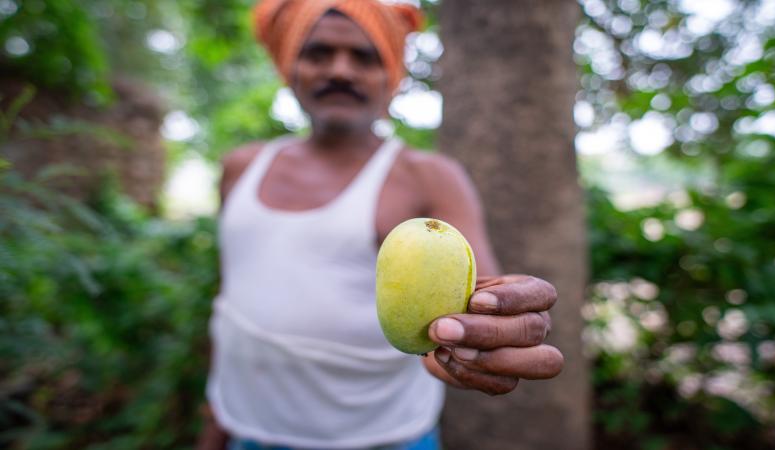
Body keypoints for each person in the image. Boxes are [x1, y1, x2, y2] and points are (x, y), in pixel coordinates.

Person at [197, 1, 564, 449]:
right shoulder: (241, 167)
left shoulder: (427, 177)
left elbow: (475, 299)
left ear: (391, 76)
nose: (340, 70)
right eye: (318, 53)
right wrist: (215, 415)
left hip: (383, 435)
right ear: (289, 66)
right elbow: (232, 297)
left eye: (364, 57)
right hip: (248, 428)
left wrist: (485, 336)